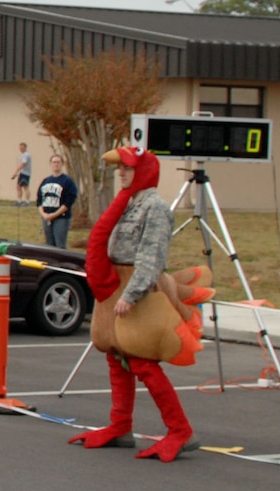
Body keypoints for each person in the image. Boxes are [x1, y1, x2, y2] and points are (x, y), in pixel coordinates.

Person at [70, 146, 208, 462]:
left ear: (143, 172)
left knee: (143, 362)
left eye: (128, 169)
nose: (121, 173)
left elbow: (151, 256)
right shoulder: (129, 203)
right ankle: (120, 426)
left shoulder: (155, 208)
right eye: (120, 168)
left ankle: (180, 430)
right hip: (116, 286)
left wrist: (131, 296)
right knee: (118, 358)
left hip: (137, 290)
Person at [38, 154, 78, 249]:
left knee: (60, 245)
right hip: (46, 218)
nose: (56, 164)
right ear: (50, 164)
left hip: (61, 218)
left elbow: (68, 202)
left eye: (58, 162)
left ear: (62, 164)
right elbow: (39, 200)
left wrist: (55, 214)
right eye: (54, 162)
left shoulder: (67, 181)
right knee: (49, 245)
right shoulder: (45, 181)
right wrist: (44, 215)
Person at [12, 143, 33, 207]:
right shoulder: (23, 155)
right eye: (20, 148)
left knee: (25, 187)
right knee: (18, 186)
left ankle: (27, 202)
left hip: (25, 173)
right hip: (22, 173)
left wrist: (16, 171)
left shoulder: (26, 155)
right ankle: (19, 201)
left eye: (22, 147)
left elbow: (23, 163)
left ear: (25, 147)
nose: (21, 149)